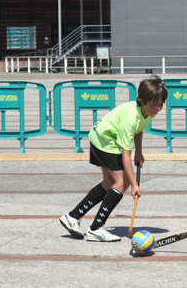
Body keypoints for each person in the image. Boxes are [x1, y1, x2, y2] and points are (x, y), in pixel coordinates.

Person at [59, 74, 168, 241]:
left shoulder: (146, 112)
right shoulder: (130, 118)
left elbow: (139, 129)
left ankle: (72, 217)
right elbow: (125, 156)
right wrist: (133, 184)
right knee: (121, 183)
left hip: (103, 137)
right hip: (105, 141)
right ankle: (96, 228)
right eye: (154, 104)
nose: (158, 108)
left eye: (161, 104)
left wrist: (139, 151)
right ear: (142, 100)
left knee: (110, 182)